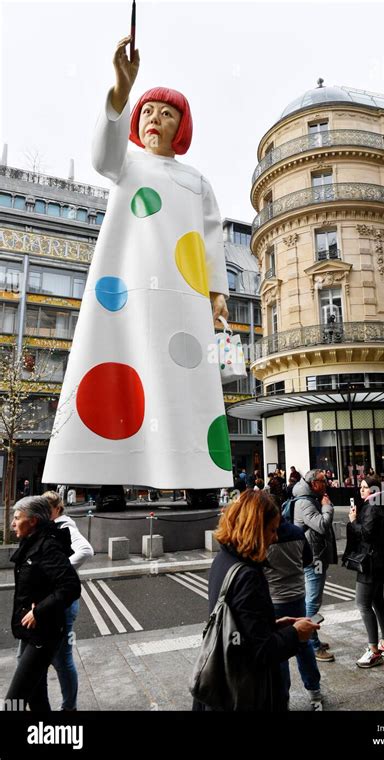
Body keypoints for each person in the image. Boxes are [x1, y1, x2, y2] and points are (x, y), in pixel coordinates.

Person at [42, 34, 232, 492]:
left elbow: (211, 238)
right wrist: (121, 91)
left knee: (185, 380)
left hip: (181, 294)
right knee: (115, 365)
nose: (155, 119)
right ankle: (107, 481)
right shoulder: (126, 164)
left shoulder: (197, 180)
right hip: (124, 287)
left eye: (167, 114)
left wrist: (217, 291)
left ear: (180, 127)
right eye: (148, 111)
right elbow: (101, 154)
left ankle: (200, 481)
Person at [193, 490, 320, 711]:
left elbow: (241, 627)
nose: (276, 537)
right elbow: (261, 651)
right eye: (271, 529)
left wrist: (274, 626)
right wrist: (294, 633)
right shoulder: (248, 575)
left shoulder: (223, 559)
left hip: (223, 678)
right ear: (254, 528)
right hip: (244, 691)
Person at [5, 496, 81, 711]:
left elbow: (70, 586)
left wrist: (39, 610)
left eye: (18, 517)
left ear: (33, 521)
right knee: (36, 699)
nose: (12, 522)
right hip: (31, 632)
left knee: (14, 701)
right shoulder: (31, 542)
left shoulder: (47, 546)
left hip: (44, 634)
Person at [264, 512, 322, 709]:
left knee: (279, 647)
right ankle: (314, 691)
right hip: (297, 596)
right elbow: (307, 560)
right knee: (303, 644)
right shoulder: (297, 532)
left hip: (274, 599)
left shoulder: (264, 536)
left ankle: (283, 697)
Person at [43, 491, 94, 711]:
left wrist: (60, 569)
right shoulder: (50, 526)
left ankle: (69, 707)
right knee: (30, 659)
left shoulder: (65, 526)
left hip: (62, 602)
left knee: (62, 660)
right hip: (48, 602)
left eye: (46, 509)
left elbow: (86, 550)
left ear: (56, 509)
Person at [346, 476, 384, 668]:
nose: (361, 490)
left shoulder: (371, 507)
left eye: (365, 487)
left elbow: (366, 534)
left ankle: (373, 650)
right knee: (378, 603)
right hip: (379, 561)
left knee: (363, 604)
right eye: (361, 487)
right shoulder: (378, 505)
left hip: (370, 563)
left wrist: (353, 522)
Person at [292, 469, 337, 662]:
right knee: (312, 602)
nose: (325, 483)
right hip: (313, 559)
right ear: (313, 483)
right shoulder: (304, 502)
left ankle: (313, 638)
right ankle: (313, 644)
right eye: (322, 481)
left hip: (315, 555)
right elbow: (321, 525)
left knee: (311, 601)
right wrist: (327, 507)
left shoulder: (310, 498)